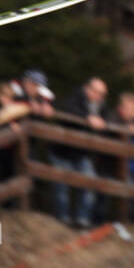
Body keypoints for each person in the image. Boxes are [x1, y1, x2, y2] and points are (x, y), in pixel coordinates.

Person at [48, 78, 106, 228]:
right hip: (62, 151)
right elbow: (65, 108)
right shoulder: (75, 97)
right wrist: (87, 117)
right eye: (97, 92)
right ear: (87, 89)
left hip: (82, 153)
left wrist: (102, 122)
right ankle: (62, 219)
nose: (99, 96)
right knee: (62, 187)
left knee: (89, 182)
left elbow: (105, 121)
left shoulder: (101, 106)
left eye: (102, 94)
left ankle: (83, 220)